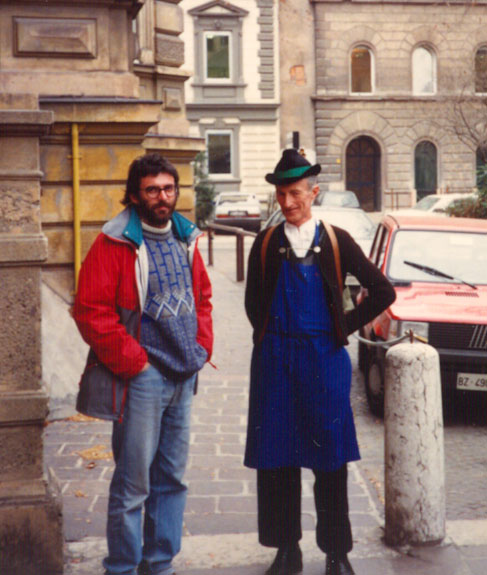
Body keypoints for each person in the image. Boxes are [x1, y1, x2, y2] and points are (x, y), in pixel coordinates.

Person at [244, 149, 395, 575]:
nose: (287, 203)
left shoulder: (335, 240)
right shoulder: (266, 243)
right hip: (275, 363)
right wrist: (271, 337)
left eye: (295, 193)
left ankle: (336, 554)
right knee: (277, 460)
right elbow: (253, 302)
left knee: (330, 460)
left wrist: (341, 327)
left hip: (323, 363)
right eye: (280, 194)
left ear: (313, 192)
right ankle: (286, 551)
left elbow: (383, 292)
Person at [73, 153, 213, 575]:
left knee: (173, 480)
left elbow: (203, 298)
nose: (162, 197)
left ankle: (160, 564)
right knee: (134, 484)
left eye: (168, 188)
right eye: (152, 189)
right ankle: (122, 567)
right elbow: (90, 310)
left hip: (183, 375)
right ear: (135, 195)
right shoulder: (114, 242)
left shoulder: (185, 237)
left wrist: (201, 346)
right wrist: (135, 364)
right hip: (143, 378)